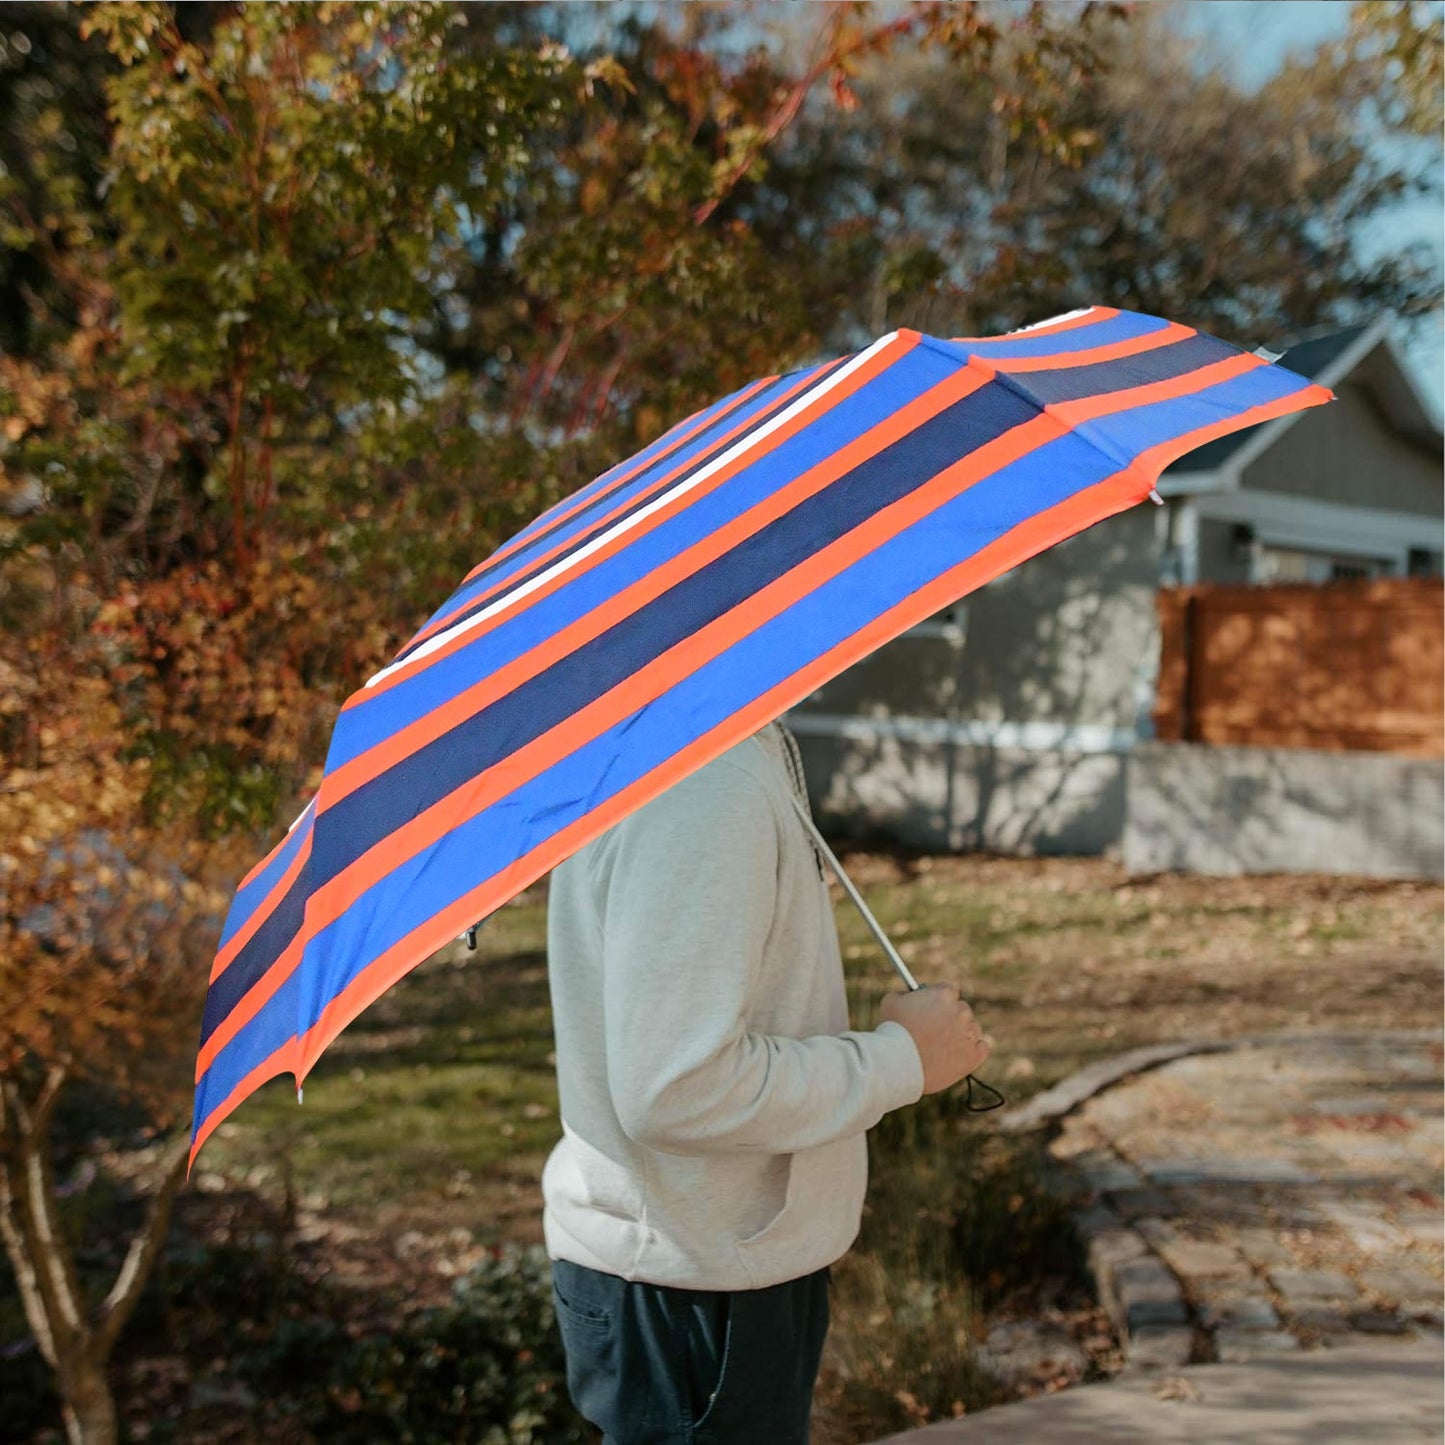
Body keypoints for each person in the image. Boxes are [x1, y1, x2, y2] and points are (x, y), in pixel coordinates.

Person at [542, 718, 993, 1444]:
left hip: (706, 1265)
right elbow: (676, 1087)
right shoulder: (701, 785)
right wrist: (901, 1058)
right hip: (699, 1289)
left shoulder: (702, 747)